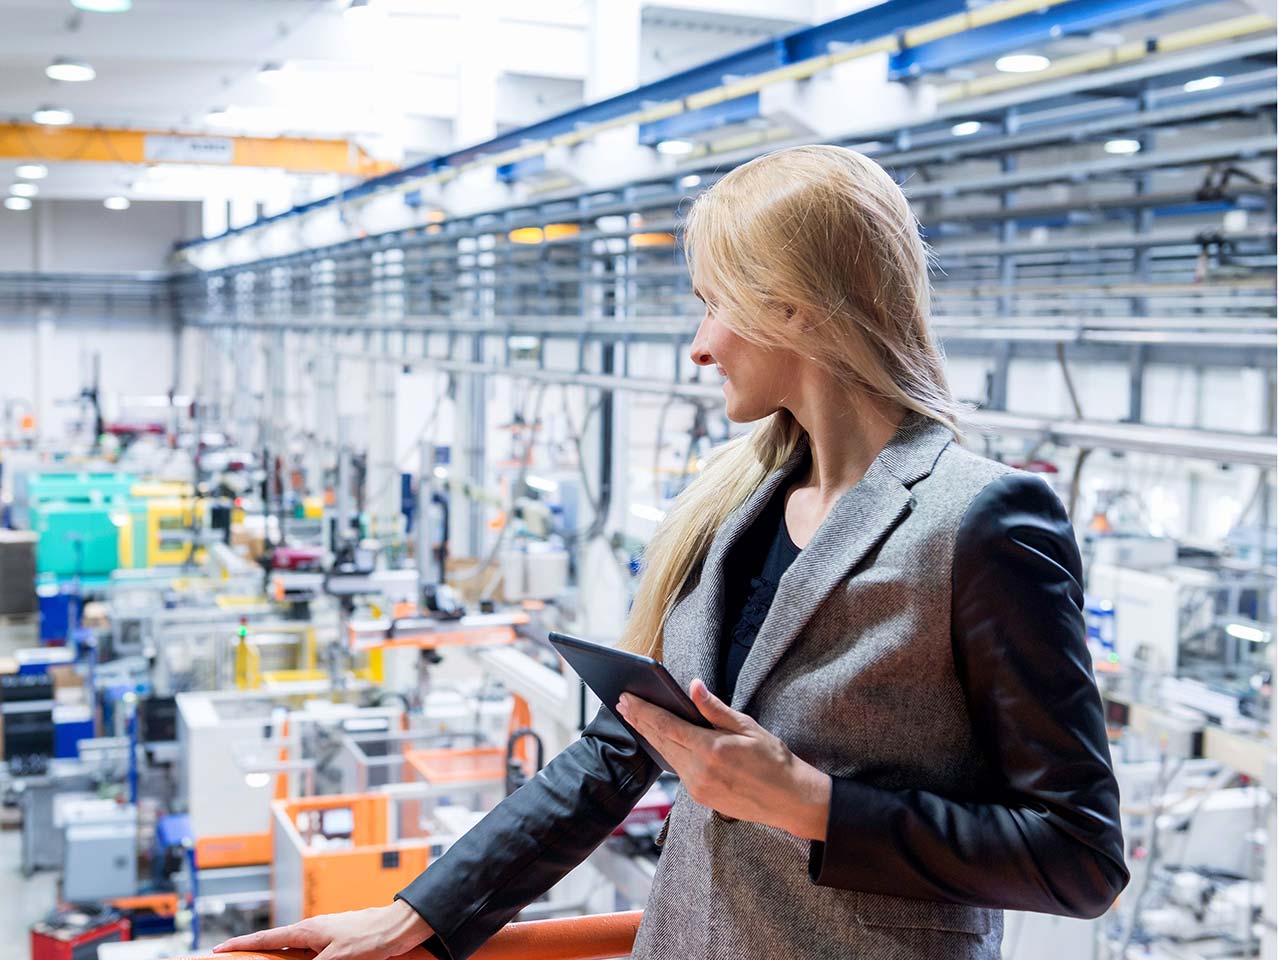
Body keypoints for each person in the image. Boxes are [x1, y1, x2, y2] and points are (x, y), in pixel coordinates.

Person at [214, 144, 1128, 960]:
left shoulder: (982, 521)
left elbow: (1079, 859)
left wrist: (811, 803)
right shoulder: (737, 507)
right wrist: (415, 916)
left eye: (711, 305)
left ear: (793, 307)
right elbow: (622, 752)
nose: (699, 348)